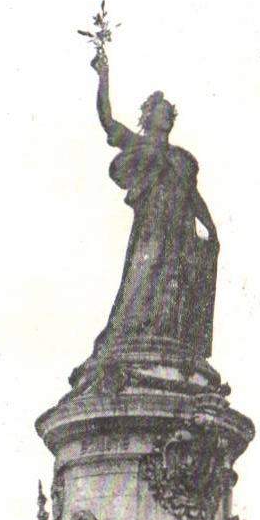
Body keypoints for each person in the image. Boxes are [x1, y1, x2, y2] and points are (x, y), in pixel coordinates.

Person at [73, 47, 219, 381]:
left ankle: (167, 334)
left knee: (176, 282)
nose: (167, 118)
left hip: (179, 229)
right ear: (148, 116)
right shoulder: (138, 145)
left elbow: (192, 195)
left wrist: (210, 226)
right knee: (145, 271)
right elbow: (107, 120)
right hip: (152, 225)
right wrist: (103, 77)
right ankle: (134, 330)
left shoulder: (181, 159)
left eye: (170, 114)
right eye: (161, 112)